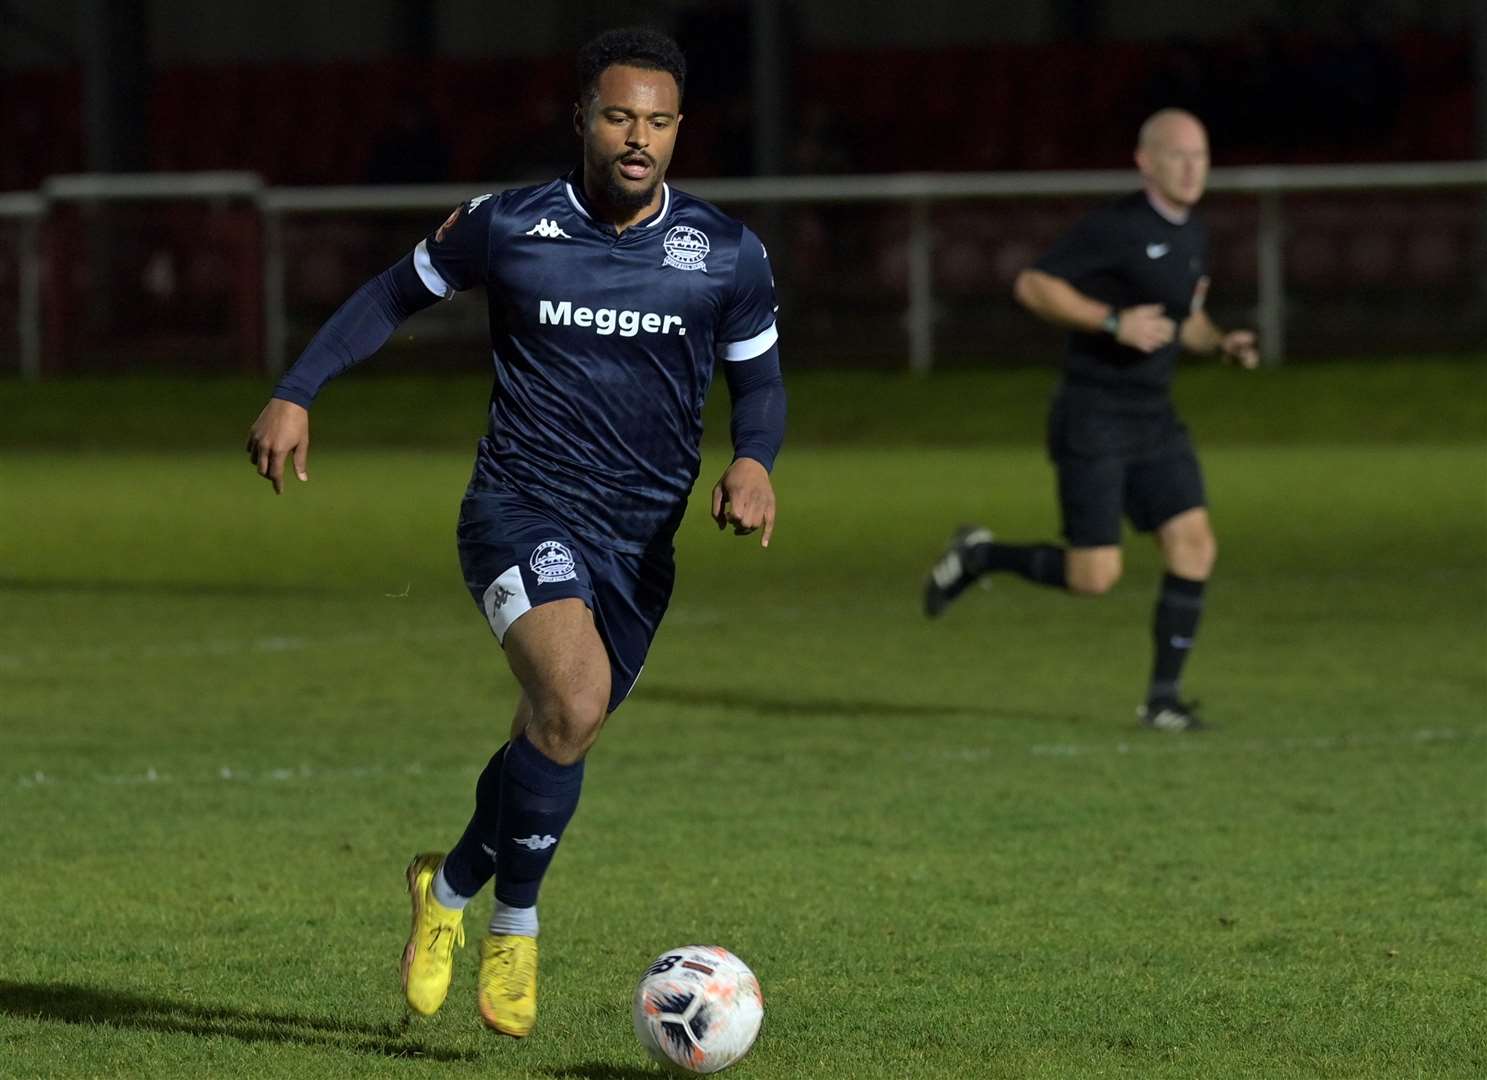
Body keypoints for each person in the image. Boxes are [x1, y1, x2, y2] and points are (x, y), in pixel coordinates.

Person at [245, 27, 785, 1037]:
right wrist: (296, 391)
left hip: (639, 543)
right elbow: (388, 295)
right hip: (518, 507)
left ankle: (441, 891)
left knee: (553, 732)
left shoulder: (724, 251)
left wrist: (753, 460)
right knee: (573, 701)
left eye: (657, 122)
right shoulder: (508, 225)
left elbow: (759, 383)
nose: (638, 139)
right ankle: (514, 925)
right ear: (582, 117)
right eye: (619, 117)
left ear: (677, 130)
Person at [923, 108, 1257, 733]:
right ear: (1146, 162)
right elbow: (1032, 286)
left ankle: (1162, 700)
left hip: (1154, 417)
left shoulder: (1195, 235)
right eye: (1178, 155)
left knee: (1194, 546)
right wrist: (1112, 322)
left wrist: (1221, 343)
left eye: (1201, 156)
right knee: (1093, 576)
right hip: (1094, 414)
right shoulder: (1115, 227)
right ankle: (980, 556)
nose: (1192, 168)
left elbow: (1188, 320)